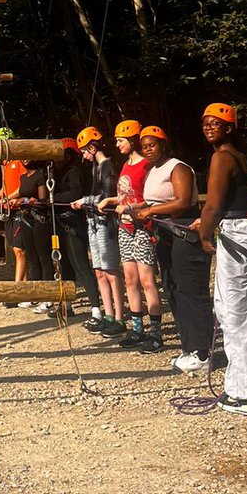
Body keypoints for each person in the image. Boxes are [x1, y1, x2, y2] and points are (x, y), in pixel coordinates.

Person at [194, 102, 247, 415]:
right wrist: (207, 223)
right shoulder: (238, 155)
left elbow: (213, 206)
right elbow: (231, 203)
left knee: (234, 313)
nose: (208, 127)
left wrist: (204, 234)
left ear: (229, 128)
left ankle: (244, 394)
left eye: (215, 123)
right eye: (205, 123)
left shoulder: (221, 157)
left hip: (236, 236)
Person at [136, 126, 213, 373]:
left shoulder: (178, 168)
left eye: (152, 145)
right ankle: (188, 347)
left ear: (163, 144)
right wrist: (135, 209)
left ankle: (203, 352)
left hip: (184, 231)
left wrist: (150, 211)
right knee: (172, 289)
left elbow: (181, 201)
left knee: (190, 290)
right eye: (144, 147)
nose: (148, 150)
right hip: (164, 233)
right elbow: (154, 201)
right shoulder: (151, 171)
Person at [99, 119, 163, 351]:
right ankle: (137, 329)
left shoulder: (146, 166)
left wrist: (128, 208)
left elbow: (151, 198)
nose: (117, 145)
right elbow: (125, 194)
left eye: (120, 140)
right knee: (130, 279)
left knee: (147, 280)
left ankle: (155, 333)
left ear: (132, 140)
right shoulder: (126, 165)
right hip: (124, 228)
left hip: (142, 228)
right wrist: (109, 200)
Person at [72, 126, 125, 337]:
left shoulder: (107, 167)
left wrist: (83, 201)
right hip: (93, 222)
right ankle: (108, 315)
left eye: (84, 151)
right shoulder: (95, 168)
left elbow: (107, 196)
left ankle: (119, 318)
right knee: (99, 271)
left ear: (92, 148)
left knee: (111, 271)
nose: (84, 156)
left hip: (106, 224)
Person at [44, 138, 103, 322]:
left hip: (73, 220)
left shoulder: (76, 170)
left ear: (69, 155)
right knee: (64, 264)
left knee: (81, 264)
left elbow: (76, 193)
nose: (56, 160)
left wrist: (53, 198)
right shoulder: (55, 173)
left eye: (60, 156)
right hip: (59, 220)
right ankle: (67, 305)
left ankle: (96, 309)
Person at [0, 126, 28, 301]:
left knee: (19, 251)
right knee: (17, 251)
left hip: (20, 210)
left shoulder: (18, 162)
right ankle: (25, 290)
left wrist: (5, 200)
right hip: (9, 211)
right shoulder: (6, 164)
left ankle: (16, 292)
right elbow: (5, 187)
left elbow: (24, 186)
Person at [6, 161, 54, 312]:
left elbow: (42, 201)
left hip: (39, 219)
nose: (25, 160)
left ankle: (48, 297)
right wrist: (9, 200)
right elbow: (20, 192)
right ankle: (36, 295)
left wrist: (25, 201)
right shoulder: (23, 177)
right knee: (32, 258)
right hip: (26, 219)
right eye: (22, 158)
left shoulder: (40, 176)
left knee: (43, 257)